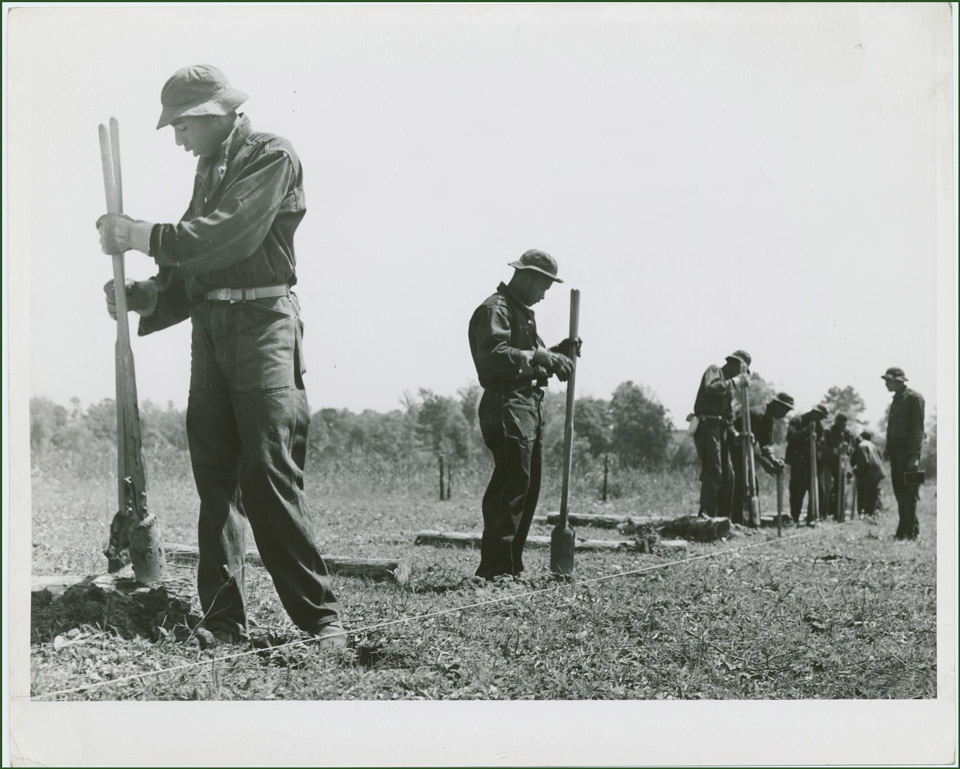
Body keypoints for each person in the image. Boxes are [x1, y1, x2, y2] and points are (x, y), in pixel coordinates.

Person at [96, 65, 346, 647]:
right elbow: (198, 266)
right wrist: (146, 295)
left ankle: (321, 621)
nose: (179, 141)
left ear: (212, 115)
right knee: (217, 482)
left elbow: (225, 237)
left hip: (263, 327)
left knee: (267, 474)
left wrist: (135, 233)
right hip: (212, 329)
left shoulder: (271, 155)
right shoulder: (212, 166)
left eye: (181, 127)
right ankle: (224, 623)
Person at [468, 249, 578, 580]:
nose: (544, 296)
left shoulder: (521, 312)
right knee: (512, 485)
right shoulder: (495, 309)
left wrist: (560, 352)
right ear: (526, 276)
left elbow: (533, 356)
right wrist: (542, 356)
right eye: (543, 287)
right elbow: (493, 356)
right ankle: (495, 571)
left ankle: (510, 567)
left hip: (526, 405)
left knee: (527, 486)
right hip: (506, 405)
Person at [690, 350, 751, 518]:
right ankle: (706, 516)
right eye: (741, 370)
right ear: (734, 364)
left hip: (720, 429)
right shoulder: (715, 371)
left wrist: (736, 434)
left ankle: (724, 519)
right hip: (707, 426)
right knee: (713, 470)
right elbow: (711, 388)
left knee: (728, 476)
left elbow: (728, 416)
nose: (742, 375)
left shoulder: (729, 387)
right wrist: (736, 381)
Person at [729, 392, 794, 525]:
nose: (785, 414)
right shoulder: (755, 415)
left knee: (753, 486)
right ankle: (737, 522)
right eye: (785, 409)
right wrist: (764, 463)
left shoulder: (768, 419)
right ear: (776, 405)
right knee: (740, 485)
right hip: (733, 451)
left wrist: (773, 459)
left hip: (746, 454)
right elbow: (745, 444)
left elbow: (765, 445)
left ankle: (751, 521)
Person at [882, 367, 926, 540]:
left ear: (899, 381)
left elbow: (918, 430)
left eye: (889, 380)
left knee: (909, 494)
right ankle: (905, 530)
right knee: (900, 492)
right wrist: (887, 448)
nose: (886, 383)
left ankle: (909, 532)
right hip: (895, 452)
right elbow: (892, 426)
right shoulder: (896, 399)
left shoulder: (914, 398)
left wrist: (914, 457)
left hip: (908, 453)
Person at [784, 404, 829, 525]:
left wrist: (816, 442)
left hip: (814, 464)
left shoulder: (819, 426)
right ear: (813, 412)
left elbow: (822, 443)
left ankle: (812, 518)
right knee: (797, 491)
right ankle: (795, 518)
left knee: (819, 490)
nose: (820, 419)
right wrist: (805, 431)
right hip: (799, 463)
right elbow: (791, 437)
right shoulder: (797, 421)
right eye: (819, 416)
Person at [822, 413, 855, 520]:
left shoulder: (847, 432)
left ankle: (838, 514)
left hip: (841, 463)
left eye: (844, 425)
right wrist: (833, 451)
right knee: (826, 488)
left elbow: (852, 447)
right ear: (836, 422)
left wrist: (847, 449)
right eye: (840, 424)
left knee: (841, 488)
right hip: (827, 462)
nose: (842, 427)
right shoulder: (828, 430)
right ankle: (823, 514)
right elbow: (822, 446)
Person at [850, 430, 885, 518]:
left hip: (869, 473)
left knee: (865, 495)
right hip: (876, 473)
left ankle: (866, 515)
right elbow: (881, 458)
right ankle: (872, 513)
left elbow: (863, 461)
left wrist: (857, 471)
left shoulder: (862, 445)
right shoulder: (873, 445)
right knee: (872, 495)